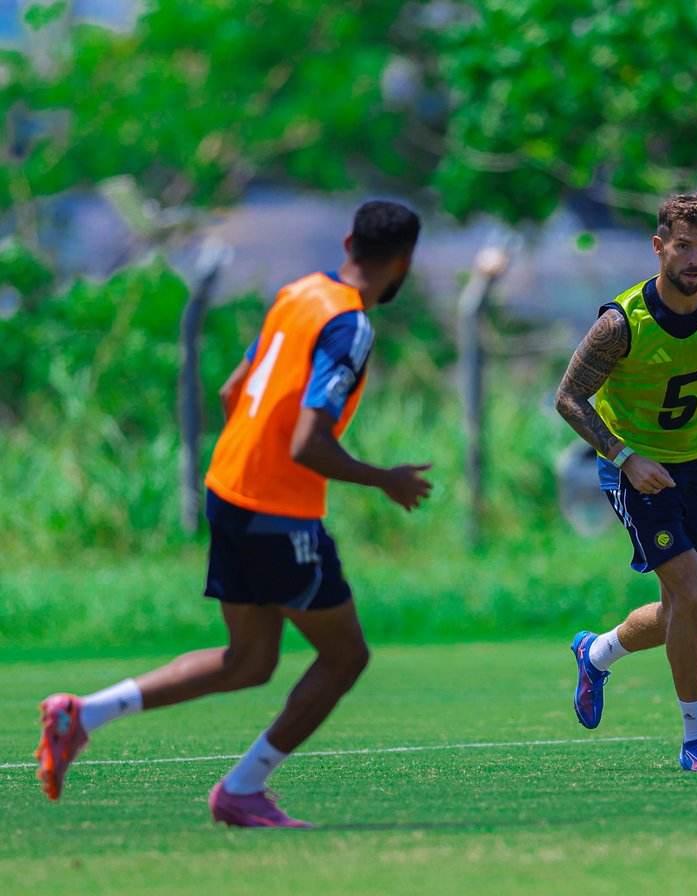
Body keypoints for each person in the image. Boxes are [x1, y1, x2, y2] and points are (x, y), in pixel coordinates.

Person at [34, 199, 432, 827]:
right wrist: (384, 479)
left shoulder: (298, 292)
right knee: (345, 657)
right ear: (404, 261)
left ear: (350, 241)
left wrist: (251, 463)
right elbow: (308, 442)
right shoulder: (350, 325)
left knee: (248, 661)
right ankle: (242, 788)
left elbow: (231, 390)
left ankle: (82, 714)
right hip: (278, 513)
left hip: (229, 491)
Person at [555, 193, 697, 771]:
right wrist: (624, 457)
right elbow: (568, 398)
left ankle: (595, 654)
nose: (695, 259)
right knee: (694, 596)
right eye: (683, 247)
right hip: (636, 474)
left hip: (695, 466)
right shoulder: (621, 324)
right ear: (659, 247)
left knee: (682, 613)